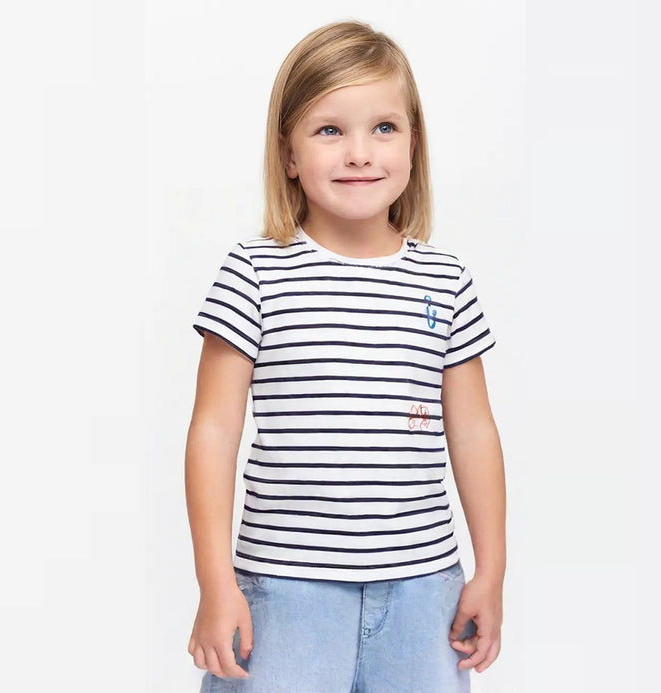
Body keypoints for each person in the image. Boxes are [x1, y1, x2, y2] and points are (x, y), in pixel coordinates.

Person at [185, 19, 506, 693]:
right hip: (285, 591)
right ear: (289, 154)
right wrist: (216, 584)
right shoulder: (255, 273)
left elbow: (474, 431)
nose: (360, 153)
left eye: (383, 127)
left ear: (413, 144)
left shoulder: (446, 280)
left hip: (423, 592)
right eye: (329, 130)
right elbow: (213, 431)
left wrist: (490, 569)